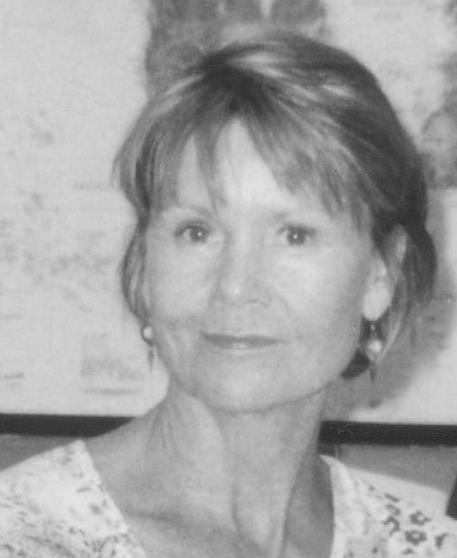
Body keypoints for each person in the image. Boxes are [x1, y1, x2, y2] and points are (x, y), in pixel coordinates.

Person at [0, 26, 455, 558]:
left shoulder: (425, 545)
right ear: (144, 264)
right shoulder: (25, 535)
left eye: (294, 235)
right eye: (197, 232)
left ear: (381, 275)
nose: (235, 287)